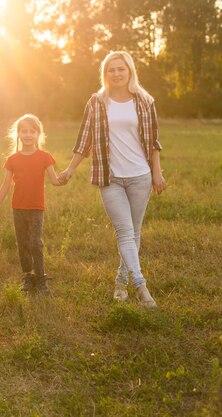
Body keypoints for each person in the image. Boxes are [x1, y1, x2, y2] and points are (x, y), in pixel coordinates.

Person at [59, 51, 166, 308]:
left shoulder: (144, 101)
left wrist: (157, 172)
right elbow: (84, 141)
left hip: (140, 176)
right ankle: (141, 287)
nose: (116, 74)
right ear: (105, 74)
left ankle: (120, 283)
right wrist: (70, 169)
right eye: (111, 70)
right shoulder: (97, 102)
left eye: (121, 69)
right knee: (124, 231)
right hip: (111, 178)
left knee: (134, 233)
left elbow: (153, 142)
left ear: (130, 71)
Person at [0, 114, 63, 293]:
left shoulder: (45, 157)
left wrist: (67, 174)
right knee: (22, 242)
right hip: (18, 207)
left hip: (36, 207)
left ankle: (41, 278)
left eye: (32, 131)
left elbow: (54, 180)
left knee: (35, 242)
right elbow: (5, 186)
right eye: (24, 131)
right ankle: (28, 276)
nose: (28, 135)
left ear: (38, 134)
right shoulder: (13, 159)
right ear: (19, 134)